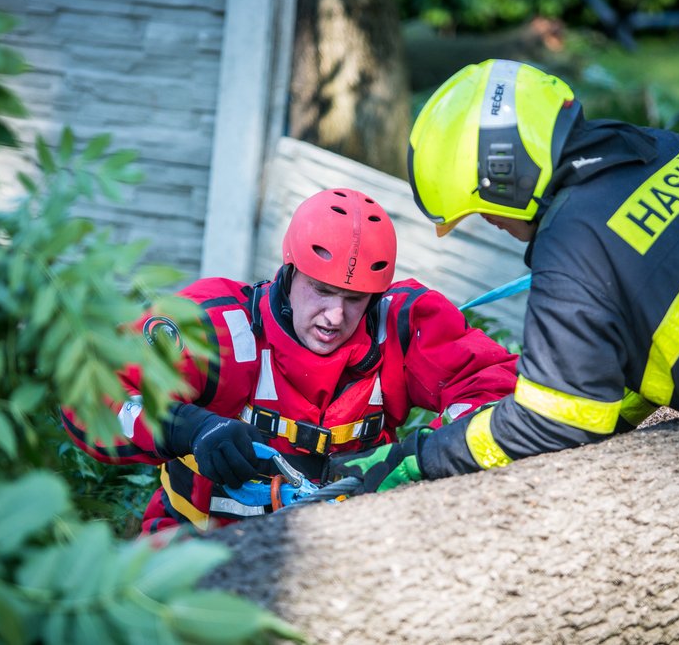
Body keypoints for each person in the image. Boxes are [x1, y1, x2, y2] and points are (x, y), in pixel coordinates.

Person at [327, 59, 679, 643]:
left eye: (482, 209)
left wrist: (425, 454)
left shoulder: (573, 241)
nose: (492, 224)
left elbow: (558, 419)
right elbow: (676, 327)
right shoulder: (661, 150)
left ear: (502, 172)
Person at [62, 187, 519, 534]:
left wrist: (427, 453)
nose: (335, 316)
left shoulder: (401, 326)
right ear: (290, 270)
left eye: (355, 299)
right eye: (321, 290)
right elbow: (89, 392)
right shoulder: (216, 326)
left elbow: (499, 387)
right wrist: (189, 428)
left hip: (350, 547)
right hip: (196, 544)